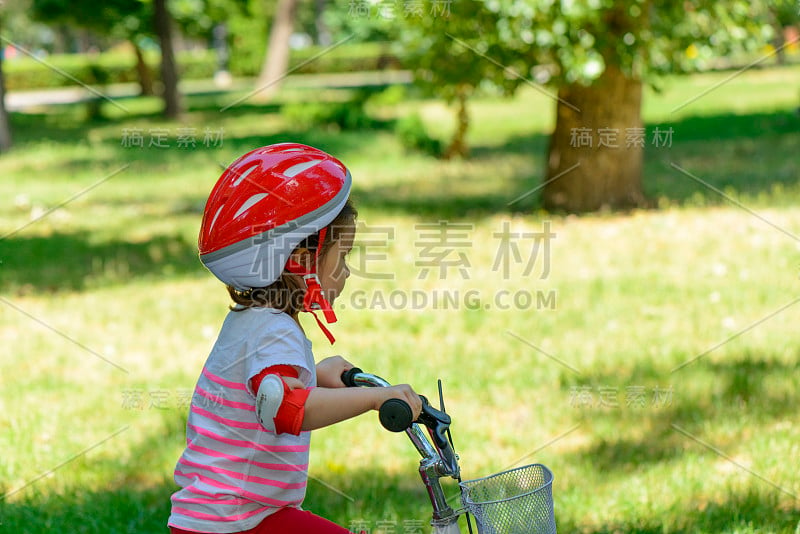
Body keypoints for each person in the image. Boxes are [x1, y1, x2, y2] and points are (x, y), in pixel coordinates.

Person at [168, 143, 422, 533]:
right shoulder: (275, 331)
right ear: (301, 261)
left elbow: (260, 389)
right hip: (237, 521)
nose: (348, 272)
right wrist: (373, 399)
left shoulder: (255, 321)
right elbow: (284, 409)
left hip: (219, 515)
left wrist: (316, 374)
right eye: (344, 255)